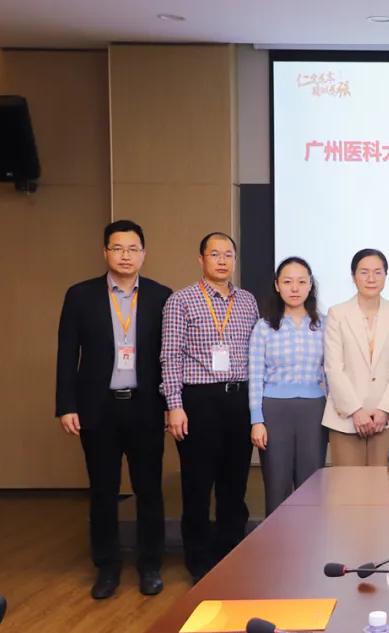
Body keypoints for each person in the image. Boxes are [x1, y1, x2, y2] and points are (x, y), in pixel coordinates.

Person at [54, 220, 172, 599]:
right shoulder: (80, 295)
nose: (125, 255)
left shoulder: (161, 296)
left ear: (143, 254)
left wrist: (171, 404)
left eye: (133, 249)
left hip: (146, 406)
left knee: (149, 490)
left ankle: (150, 565)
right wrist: (66, 405)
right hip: (98, 407)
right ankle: (107, 566)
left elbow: (170, 356)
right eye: (118, 248)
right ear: (105, 252)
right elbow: (66, 353)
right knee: (103, 490)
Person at [161, 232, 260, 583]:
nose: (222, 260)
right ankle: (199, 560)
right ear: (201, 259)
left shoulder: (247, 301)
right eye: (214, 254)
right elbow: (170, 356)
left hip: (239, 399)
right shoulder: (181, 301)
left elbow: (257, 354)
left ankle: (231, 552)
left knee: (234, 484)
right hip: (198, 401)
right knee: (198, 484)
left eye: (228, 254)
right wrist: (174, 405)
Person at [249, 257, 327, 516]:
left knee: (311, 486)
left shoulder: (324, 324)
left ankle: (310, 541)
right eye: (287, 282)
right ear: (277, 285)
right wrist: (257, 420)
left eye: (301, 282)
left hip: (314, 411)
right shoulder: (264, 327)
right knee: (276, 484)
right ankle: (276, 540)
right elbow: (255, 375)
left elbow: (331, 373)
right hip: (274, 412)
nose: (295, 288)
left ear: (310, 285)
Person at [322, 249, 389, 466]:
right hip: (345, 417)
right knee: (348, 483)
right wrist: (355, 410)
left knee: (384, 482)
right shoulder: (337, 313)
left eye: (378, 272)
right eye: (364, 272)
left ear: (385, 276)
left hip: (386, 418)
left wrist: (384, 410)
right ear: (353, 276)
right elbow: (334, 368)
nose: (371, 278)